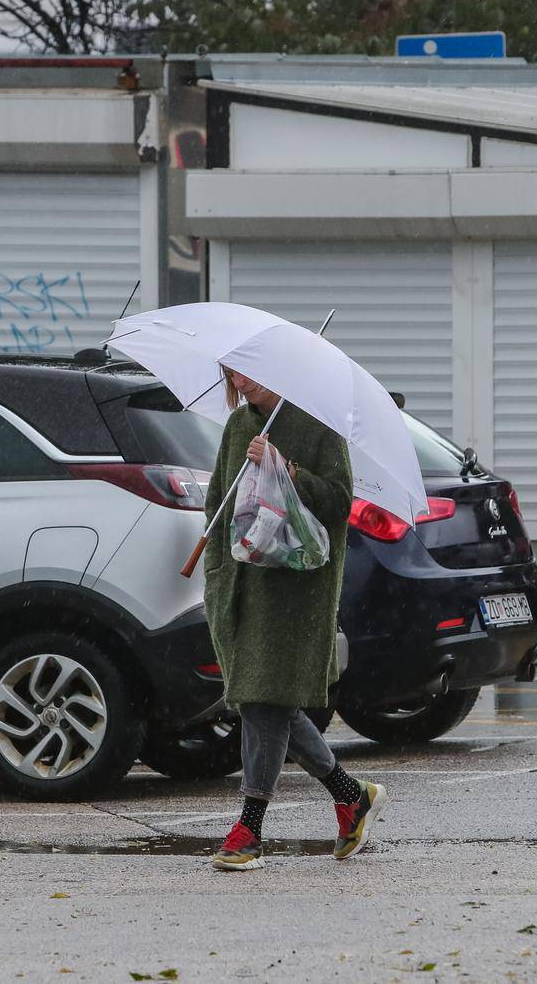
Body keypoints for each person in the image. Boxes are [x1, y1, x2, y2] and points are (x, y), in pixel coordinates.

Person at [204, 366, 386, 871]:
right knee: (270, 698)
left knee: (264, 698)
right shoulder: (239, 427)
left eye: (249, 370)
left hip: (295, 591)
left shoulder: (318, 425)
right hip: (242, 581)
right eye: (232, 373)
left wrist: (286, 468)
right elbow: (218, 498)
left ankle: (248, 830)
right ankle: (351, 796)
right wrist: (215, 556)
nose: (241, 381)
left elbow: (339, 501)